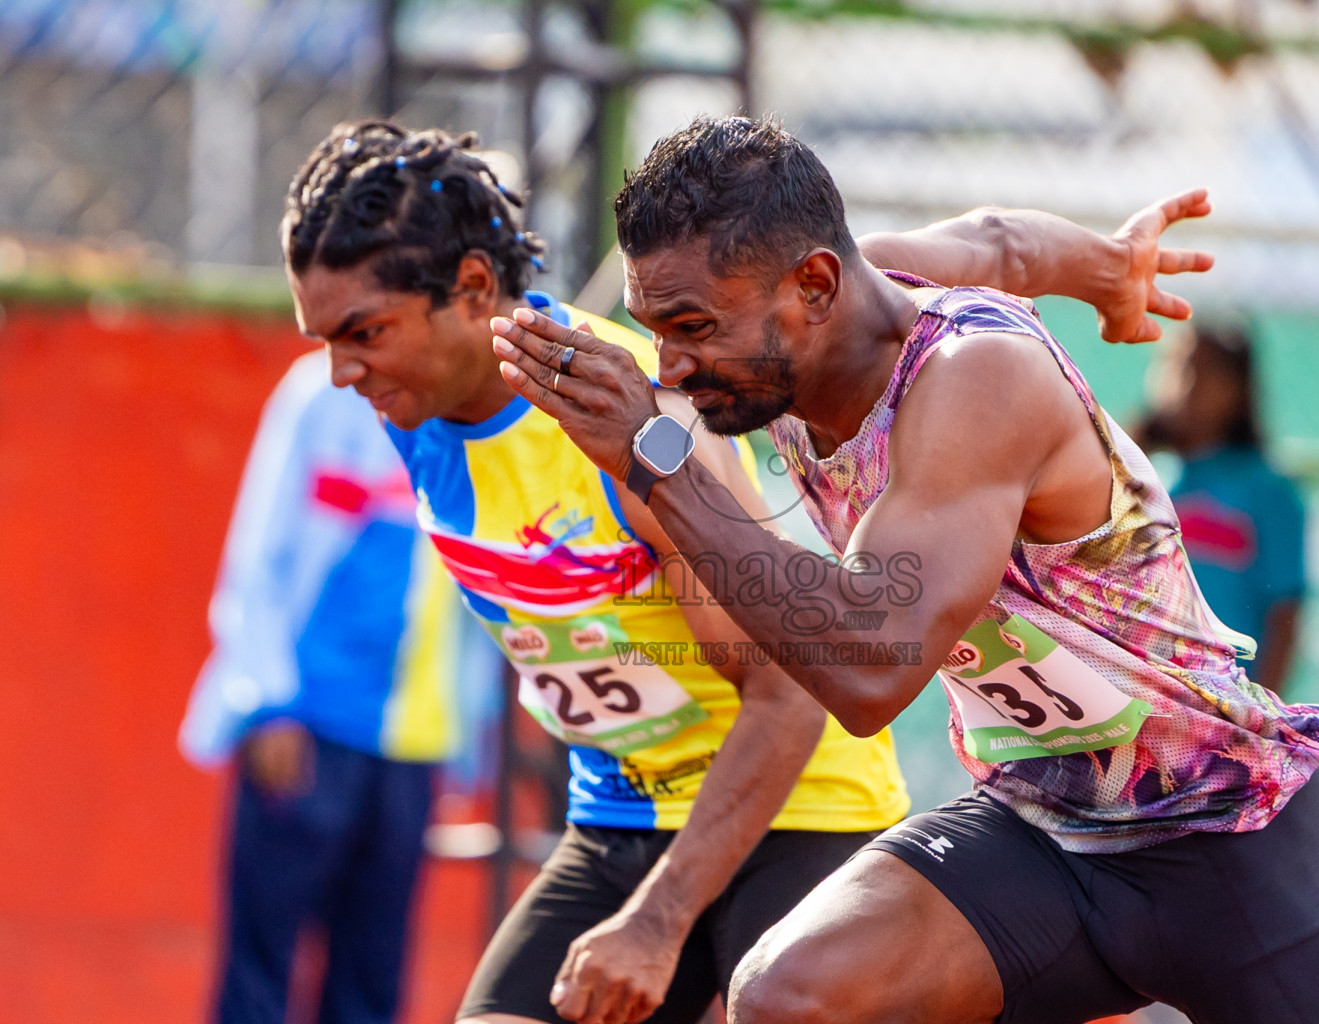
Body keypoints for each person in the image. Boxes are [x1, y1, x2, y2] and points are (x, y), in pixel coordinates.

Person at [278, 120, 1215, 1024]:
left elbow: (790, 695)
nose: (341, 372)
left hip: (796, 809)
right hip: (624, 810)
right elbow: (988, 242)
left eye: (364, 332)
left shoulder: (638, 416)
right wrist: (1105, 269)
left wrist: (658, 922)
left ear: (473, 289)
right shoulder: (415, 412)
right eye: (325, 340)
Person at [491, 115, 1319, 1024]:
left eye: (694, 327)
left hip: (1223, 829)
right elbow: (1001, 242)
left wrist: (655, 461)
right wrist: (1107, 269)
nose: (672, 367)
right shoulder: (836, 303)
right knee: (790, 996)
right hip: (1041, 831)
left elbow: (872, 666)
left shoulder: (978, 378)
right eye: (654, 330)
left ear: (814, 285)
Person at [181, 349, 501, 1024]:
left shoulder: (474, 404)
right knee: (259, 973)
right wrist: (268, 703)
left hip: (415, 744)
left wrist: (470, 738)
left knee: (371, 979)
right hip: (306, 726)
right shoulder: (318, 394)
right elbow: (258, 551)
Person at [1140, 324, 1305, 694]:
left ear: (1233, 389)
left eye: (1189, 368)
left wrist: (1260, 707)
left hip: (1228, 699)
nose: (1172, 382)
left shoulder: (1267, 491)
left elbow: (1285, 615)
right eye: (1166, 365)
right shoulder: (1146, 478)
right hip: (1148, 694)